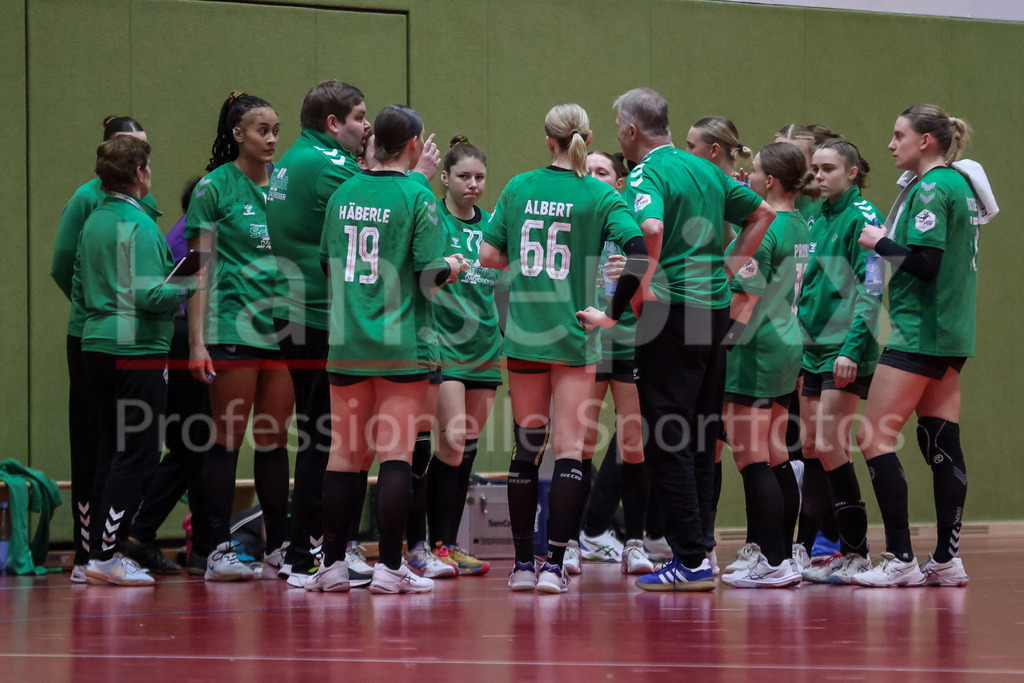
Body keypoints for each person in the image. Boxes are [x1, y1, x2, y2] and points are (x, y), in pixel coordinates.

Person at [480, 103, 647, 595]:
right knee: (571, 452)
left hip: (526, 337)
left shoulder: (518, 187)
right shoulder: (599, 193)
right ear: (588, 139)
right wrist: (613, 312)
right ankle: (554, 564)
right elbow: (638, 251)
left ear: (546, 139)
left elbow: (489, 257)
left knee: (525, 449)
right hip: (575, 335)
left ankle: (521, 565)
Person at [613, 87, 775, 592]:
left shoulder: (646, 172)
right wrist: (725, 271)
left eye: (619, 124)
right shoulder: (707, 168)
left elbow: (652, 227)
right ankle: (702, 548)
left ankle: (689, 560)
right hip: (713, 311)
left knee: (668, 435)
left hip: (671, 312)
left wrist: (643, 289)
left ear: (632, 130)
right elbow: (762, 215)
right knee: (703, 436)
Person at [304, 104, 467, 594]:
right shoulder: (418, 197)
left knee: (344, 454)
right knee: (395, 453)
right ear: (415, 145)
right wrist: (455, 265)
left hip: (348, 341)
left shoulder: (343, 192)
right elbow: (428, 277)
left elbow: (329, 266)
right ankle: (391, 567)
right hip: (401, 344)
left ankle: (332, 565)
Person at [852, 105, 977, 588]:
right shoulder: (959, 185)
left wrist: (880, 242)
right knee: (942, 441)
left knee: (873, 437)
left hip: (919, 330)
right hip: (950, 333)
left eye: (899, 134)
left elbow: (925, 264)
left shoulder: (933, 187)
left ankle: (900, 556)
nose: (890, 144)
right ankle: (947, 558)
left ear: (926, 140)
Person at [75, 135, 200, 585]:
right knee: (139, 455)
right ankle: (110, 554)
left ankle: (95, 554)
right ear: (141, 173)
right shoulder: (138, 225)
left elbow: (80, 284)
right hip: (137, 352)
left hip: (96, 345)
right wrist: (190, 285)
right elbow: (148, 294)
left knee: (110, 452)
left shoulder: (94, 221)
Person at [265, 80, 373, 587]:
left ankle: (299, 550)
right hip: (315, 312)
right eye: (358, 116)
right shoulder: (330, 166)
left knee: (315, 433)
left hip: (292, 311)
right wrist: (411, 177)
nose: (366, 125)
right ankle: (310, 553)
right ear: (333, 124)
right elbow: (372, 205)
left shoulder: (289, 160)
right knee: (324, 438)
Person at [186, 91, 293, 582]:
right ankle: (214, 548)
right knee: (227, 441)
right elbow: (198, 273)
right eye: (261, 130)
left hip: (282, 331)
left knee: (274, 441)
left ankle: (278, 546)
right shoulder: (215, 188)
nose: (271, 139)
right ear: (237, 134)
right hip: (232, 326)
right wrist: (197, 342)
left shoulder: (286, 186)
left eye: (275, 129)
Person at [51, 115, 150, 584]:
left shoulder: (131, 208)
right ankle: (87, 551)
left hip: (111, 329)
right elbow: (61, 265)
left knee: (117, 444)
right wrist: (102, 305)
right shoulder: (91, 202)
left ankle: (105, 550)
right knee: (96, 445)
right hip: (99, 332)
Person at [718, 143, 811, 589]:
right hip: (786, 341)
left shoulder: (768, 228)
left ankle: (773, 562)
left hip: (756, 344)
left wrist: (722, 346)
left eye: (753, 172)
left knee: (751, 456)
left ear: (770, 180)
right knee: (776, 456)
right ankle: (783, 555)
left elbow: (745, 296)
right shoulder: (800, 223)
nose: (748, 176)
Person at [795, 138, 882, 584]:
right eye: (815, 168)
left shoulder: (863, 218)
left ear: (852, 173)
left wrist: (851, 348)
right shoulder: (815, 216)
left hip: (844, 351)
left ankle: (856, 552)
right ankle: (803, 550)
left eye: (828, 168)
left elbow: (872, 288)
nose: (819, 175)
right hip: (810, 350)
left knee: (832, 446)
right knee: (812, 448)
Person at [123, 178, 212, 577]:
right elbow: (187, 291)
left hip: (181, 339)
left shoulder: (180, 231)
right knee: (192, 443)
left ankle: (199, 544)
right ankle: (138, 530)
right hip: (182, 339)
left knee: (192, 444)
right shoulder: (192, 238)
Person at [575, 150, 652, 576]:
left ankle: (635, 543)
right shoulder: (575, 222)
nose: (594, 178)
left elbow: (665, 283)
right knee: (581, 445)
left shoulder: (636, 231)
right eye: (587, 171)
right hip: (585, 347)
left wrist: (641, 275)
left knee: (632, 445)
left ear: (619, 183)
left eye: (603, 172)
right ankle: (569, 541)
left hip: (628, 346)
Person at [427, 135, 501, 576]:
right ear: (445, 178)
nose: (472, 184)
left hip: (485, 348)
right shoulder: (432, 217)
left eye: (479, 177)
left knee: (467, 449)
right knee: (451, 442)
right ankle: (434, 543)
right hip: (444, 345)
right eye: (464, 176)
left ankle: (449, 545)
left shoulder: (492, 226)